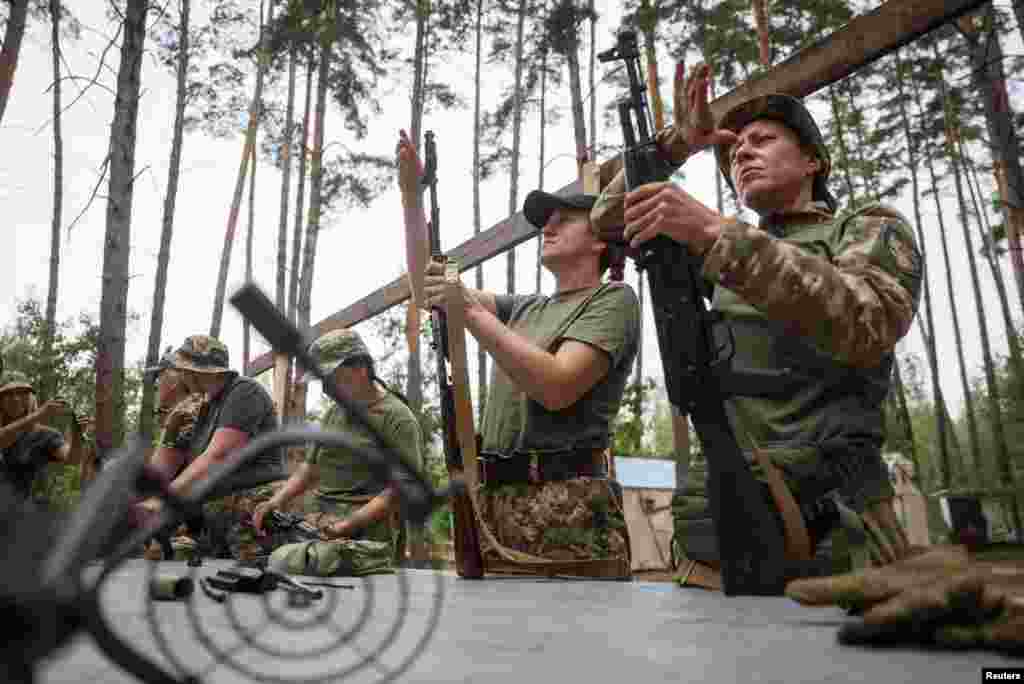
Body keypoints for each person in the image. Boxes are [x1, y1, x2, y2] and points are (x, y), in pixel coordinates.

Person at [591, 63, 923, 588]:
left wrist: (715, 233)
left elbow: (868, 321)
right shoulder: (722, 256)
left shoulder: (865, 229)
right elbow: (606, 220)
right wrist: (678, 142)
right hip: (722, 521)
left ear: (813, 160)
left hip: (840, 529)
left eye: (763, 140)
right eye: (731, 150)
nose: (741, 152)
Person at [398, 130, 641, 577]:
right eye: (545, 220)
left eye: (565, 219)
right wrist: (412, 199)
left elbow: (557, 386)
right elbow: (425, 291)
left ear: (602, 239)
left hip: (571, 513)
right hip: (496, 506)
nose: (546, 227)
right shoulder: (525, 308)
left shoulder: (614, 300)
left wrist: (467, 308)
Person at [252, 329, 424, 556]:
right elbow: (309, 469)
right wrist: (275, 502)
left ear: (361, 369)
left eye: (331, 377)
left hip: (368, 529)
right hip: (320, 520)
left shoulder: (397, 418)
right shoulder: (333, 413)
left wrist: (347, 525)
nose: (325, 388)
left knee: (288, 562)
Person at [140, 335, 285, 558]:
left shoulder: (244, 391)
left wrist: (162, 500)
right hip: (221, 501)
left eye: (183, 370)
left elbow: (218, 456)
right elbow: (166, 469)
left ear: (195, 371)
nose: (183, 376)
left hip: (254, 500)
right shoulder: (206, 406)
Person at [0, 372, 90, 504]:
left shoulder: (45, 435)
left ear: (31, 398)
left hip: (26, 514)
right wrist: (37, 415)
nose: (16, 399)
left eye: (22, 393)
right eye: (9, 394)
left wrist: (77, 436)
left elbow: (72, 459)